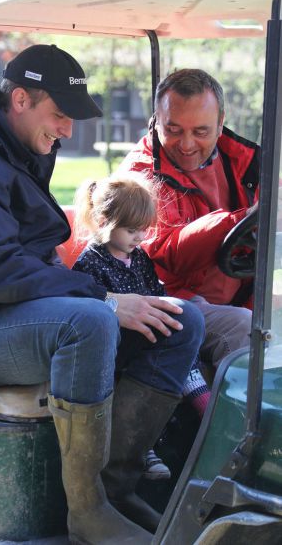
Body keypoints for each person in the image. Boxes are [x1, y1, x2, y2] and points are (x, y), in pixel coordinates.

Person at [0, 44, 200, 544]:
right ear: (19, 99)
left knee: (180, 320)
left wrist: (106, 298)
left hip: (16, 313)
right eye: (59, 115)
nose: (67, 130)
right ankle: (86, 512)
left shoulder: (19, 144)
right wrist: (104, 298)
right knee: (91, 321)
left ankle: (115, 487)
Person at [72, 172, 208, 485]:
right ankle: (142, 447)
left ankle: (198, 413)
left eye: (144, 230)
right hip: (115, 348)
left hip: (146, 335)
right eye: (132, 230)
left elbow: (154, 293)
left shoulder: (139, 256)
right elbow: (91, 312)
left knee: (181, 331)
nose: (139, 237)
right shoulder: (91, 263)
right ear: (104, 220)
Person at [118, 68, 260, 369]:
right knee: (242, 327)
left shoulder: (245, 162)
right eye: (173, 129)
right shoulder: (139, 178)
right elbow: (167, 255)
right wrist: (234, 221)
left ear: (220, 124)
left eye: (200, 132)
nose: (186, 144)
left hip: (240, 293)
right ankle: (238, 417)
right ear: (156, 120)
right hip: (168, 299)